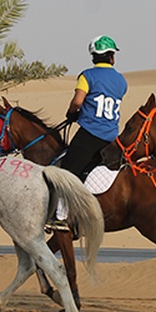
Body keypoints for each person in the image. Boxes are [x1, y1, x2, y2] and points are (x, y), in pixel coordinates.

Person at [46, 35, 127, 231]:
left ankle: (61, 217)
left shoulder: (87, 76)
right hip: (112, 137)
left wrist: (72, 114)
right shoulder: (121, 80)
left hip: (90, 133)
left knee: (67, 171)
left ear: (93, 57)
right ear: (112, 57)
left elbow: (77, 102)